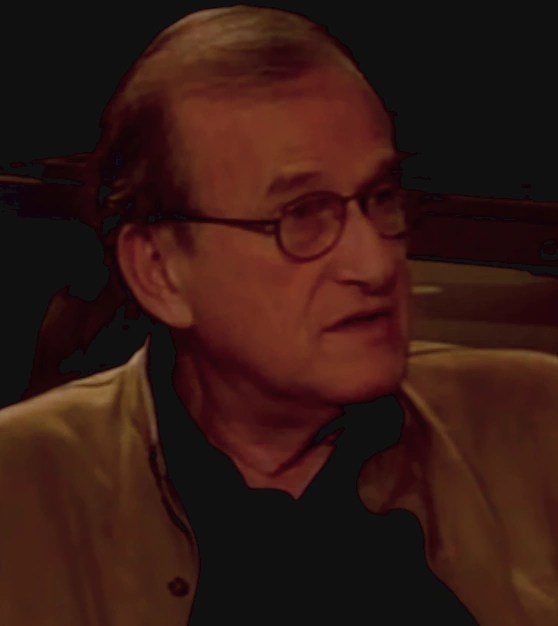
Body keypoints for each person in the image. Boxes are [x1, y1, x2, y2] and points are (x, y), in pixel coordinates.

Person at [1, 5, 557, 625]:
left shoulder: (538, 426)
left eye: (381, 197)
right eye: (301, 215)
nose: (375, 262)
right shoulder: (19, 498)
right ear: (160, 270)